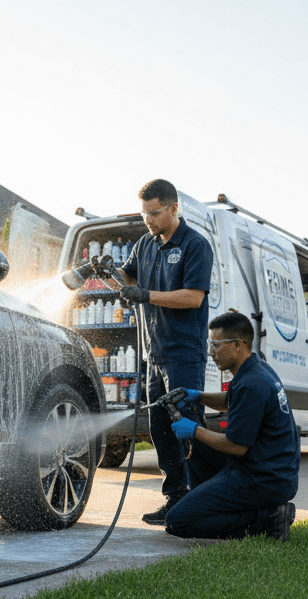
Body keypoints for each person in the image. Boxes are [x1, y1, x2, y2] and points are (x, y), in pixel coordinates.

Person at [107, 179, 214, 525]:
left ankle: (205, 499)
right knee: (160, 430)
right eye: (144, 214)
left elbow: (193, 297)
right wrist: (109, 273)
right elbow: (128, 283)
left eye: (154, 213)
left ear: (172, 208)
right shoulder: (145, 244)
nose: (149, 220)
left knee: (188, 427)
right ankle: (176, 498)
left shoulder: (196, 245)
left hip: (184, 352)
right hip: (154, 355)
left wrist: (146, 295)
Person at [161, 311, 300, 540]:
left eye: (216, 345)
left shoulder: (252, 383)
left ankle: (269, 518)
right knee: (199, 448)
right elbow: (232, 401)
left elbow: (236, 447)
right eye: (209, 344)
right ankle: (215, 503)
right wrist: (197, 396)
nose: (210, 352)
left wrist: (193, 429)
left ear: (238, 345)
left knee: (178, 521)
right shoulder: (257, 369)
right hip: (266, 468)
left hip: (262, 478)